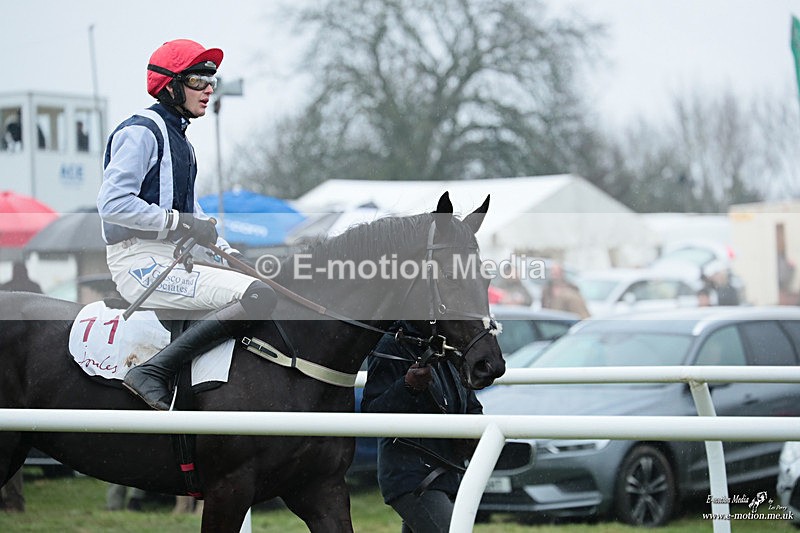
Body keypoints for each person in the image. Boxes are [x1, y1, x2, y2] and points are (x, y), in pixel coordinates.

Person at [96, 39, 277, 411]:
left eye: (211, 81)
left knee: (263, 284)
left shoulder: (183, 143)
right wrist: (178, 222)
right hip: (138, 263)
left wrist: (230, 255)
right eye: (197, 80)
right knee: (257, 295)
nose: (208, 89)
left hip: (172, 258)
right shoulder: (142, 131)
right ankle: (151, 372)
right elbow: (111, 204)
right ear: (170, 86)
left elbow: (194, 218)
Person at [362, 322, 482, 533]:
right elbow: (372, 413)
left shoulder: (446, 348)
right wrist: (408, 386)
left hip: (447, 477)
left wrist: (473, 431)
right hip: (412, 478)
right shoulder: (390, 344)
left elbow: (471, 404)